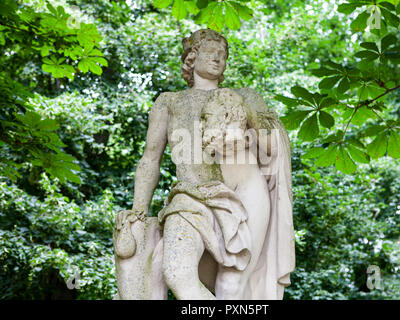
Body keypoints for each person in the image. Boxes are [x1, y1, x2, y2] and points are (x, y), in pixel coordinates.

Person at [114, 29, 294, 300]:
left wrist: (247, 114)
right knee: (175, 271)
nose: (219, 59)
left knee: (232, 287)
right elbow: (150, 158)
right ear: (191, 58)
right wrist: (138, 211)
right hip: (189, 197)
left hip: (245, 193)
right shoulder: (169, 102)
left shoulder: (245, 96)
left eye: (223, 55)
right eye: (212, 53)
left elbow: (272, 147)